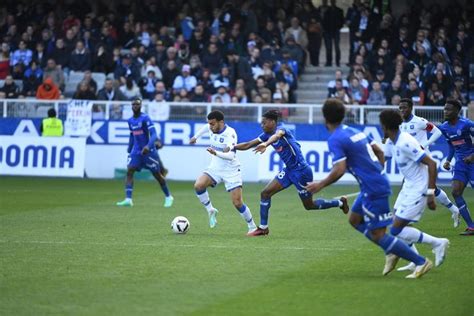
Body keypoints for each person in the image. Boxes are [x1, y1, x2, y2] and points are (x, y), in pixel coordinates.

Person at [305, 99, 433, 279]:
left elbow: (339, 168)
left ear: (325, 117)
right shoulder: (353, 131)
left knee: (379, 234)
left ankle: (420, 261)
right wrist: (377, 172)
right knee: (355, 220)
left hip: (374, 189)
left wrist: (320, 184)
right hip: (372, 185)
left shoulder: (335, 139)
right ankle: (391, 251)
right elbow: (378, 151)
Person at [229, 110, 348, 236]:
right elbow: (248, 144)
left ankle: (340, 202)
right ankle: (263, 228)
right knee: (265, 193)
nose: (261, 125)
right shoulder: (265, 134)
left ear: (272, 122)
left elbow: (277, 136)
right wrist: (232, 147)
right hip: (289, 170)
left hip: (301, 171)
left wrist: (266, 144)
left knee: (309, 205)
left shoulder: (282, 130)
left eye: (264, 123)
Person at [380, 109, 449, 274]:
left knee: (396, 229)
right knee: (397, 220)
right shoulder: (393, 141)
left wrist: (431, 193)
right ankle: (414, 259)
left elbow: (431, 164)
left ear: (385, 126)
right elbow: (384, 160)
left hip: (419, 188)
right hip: (408, 186)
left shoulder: (405, 142)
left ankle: (438, 243)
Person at [189, 111, 257, 234]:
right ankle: (210, 210)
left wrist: (216, 153)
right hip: (215, 168)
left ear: (221, 122)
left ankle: (252, 227)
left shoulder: (230, 134)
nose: (210, 127)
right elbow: (205, 128)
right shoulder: (211, 127)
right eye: (209, 124)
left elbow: (231, 155)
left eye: (212, 124)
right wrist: (196, 137)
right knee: (198, 185)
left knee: (237, 203)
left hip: (231, 170)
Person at [398, 98, 460, 227]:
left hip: (423, 159)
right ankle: (454, 209)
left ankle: (406, 216)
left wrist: (424, 144)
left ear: (411, 108)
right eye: (400, 108)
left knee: (409, 185)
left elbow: (437, 132)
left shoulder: (419, 122)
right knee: (430, 188)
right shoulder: (400, 124)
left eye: (405, 107)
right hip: (411, 161)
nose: (402, 110)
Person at [116, 98, 174, 208]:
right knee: (129, 171)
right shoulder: (130, 121)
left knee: (157, 175)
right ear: (131, 106)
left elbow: (154, 135)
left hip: (149, 152)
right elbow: (132, 135)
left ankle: (168, 196)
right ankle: (128, 199)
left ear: (141, 106)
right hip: (136, 152)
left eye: (137, 104)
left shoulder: (145, 118)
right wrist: (129, 148)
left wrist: (148, 146)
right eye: (133, 104)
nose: (135, 106)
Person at [438, 99, 474, 236]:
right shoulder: (444, 127)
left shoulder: (467, 124)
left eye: (448, 109)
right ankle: (471, 226)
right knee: (456, 192)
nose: (445, 112)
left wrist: (472, 156)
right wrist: (448, 160)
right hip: (460, 163)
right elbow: (451, 144)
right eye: (445, 109)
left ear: (457, 111)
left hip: (472, 162)